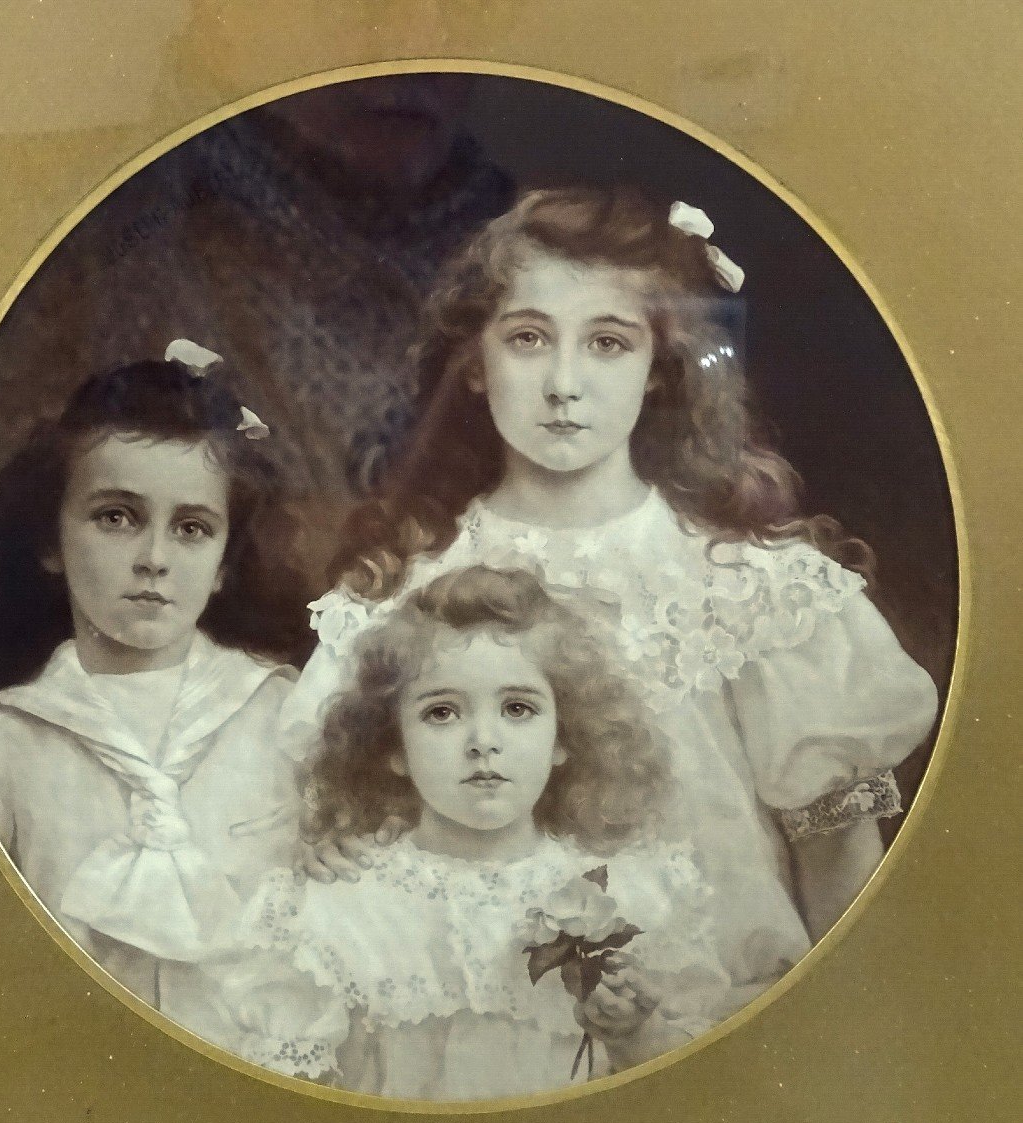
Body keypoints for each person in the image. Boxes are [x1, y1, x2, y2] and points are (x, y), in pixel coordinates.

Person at [285, 187, 940, 1003]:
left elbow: (839, 866)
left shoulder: (757, 590)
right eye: (528, 338)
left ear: (660, 372)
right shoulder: (405, 594)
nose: (564, 382)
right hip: (494, 1041)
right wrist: (326, 841)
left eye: (607, 342)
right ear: (477, 366)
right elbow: (322, 821)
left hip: (726, 1029)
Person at [0, 75, 514, 643]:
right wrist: (265, 555)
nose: (412, 49)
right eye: (358, 1)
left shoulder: (534, 256)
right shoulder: (92, 237)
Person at [211, 566, 728, 1101]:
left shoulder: (640, 893)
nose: (484, 741)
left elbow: (689, 1097)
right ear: (394, 747)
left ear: (563, 737)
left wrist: (633, 1034)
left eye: (518, 709)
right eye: (442, 713)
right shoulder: (337, 911)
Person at [0, 343, 308, 1037]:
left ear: (225, 562)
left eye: (192, 528)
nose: (154, 559)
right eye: (116, 517)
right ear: (50, 541)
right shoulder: (2, 747)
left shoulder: (284, 716)